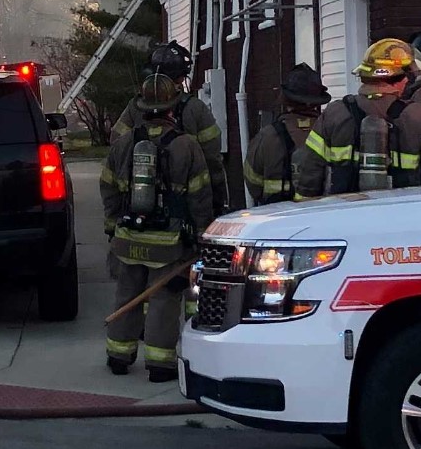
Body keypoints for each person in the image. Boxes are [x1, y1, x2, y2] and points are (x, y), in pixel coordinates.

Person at [101, 74, 218, 382]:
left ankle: (118, 355)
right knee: (165, 298)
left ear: (141, 107)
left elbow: (108, 187)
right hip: (168, 243)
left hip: (127, 238)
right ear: (171, 108)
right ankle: (160, 364)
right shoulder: (186, 146)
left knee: (127, 293)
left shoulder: (124, 144)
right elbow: (200, 196)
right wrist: (202, 234)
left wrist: (113, 226)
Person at [292, 38, 421, 199]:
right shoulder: (416, 115)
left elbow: (310, 172)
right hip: (398, 216)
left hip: (344, 214)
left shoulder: (335, 113)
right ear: (401, 80)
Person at [111, 41, 230, 210]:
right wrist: (218, 202)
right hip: (183, 204)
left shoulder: (136, 106)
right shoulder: (195, 108)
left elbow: (117, 143)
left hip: (137, 202)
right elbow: (212, 159)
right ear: (182, 77)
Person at [242, 64, 331, 205]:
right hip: (322, 216)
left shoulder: (267, 136)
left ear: (286, 100)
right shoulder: (329, 132)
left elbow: (252, 181)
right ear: (317, 101)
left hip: (277, 218)